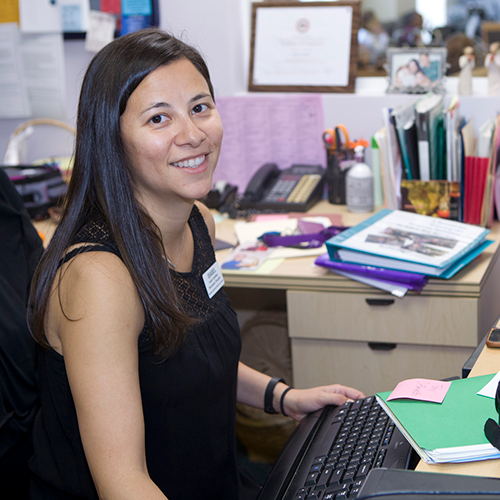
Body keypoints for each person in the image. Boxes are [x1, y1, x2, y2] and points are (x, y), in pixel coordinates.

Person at [27, 28, 365, 500]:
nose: (192, 134)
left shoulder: (198, 222)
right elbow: (123, 483)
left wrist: (283, 397)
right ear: (112, 138)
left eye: (200, 108)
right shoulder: (99, 279)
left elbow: (192, 356)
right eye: (159, 118)